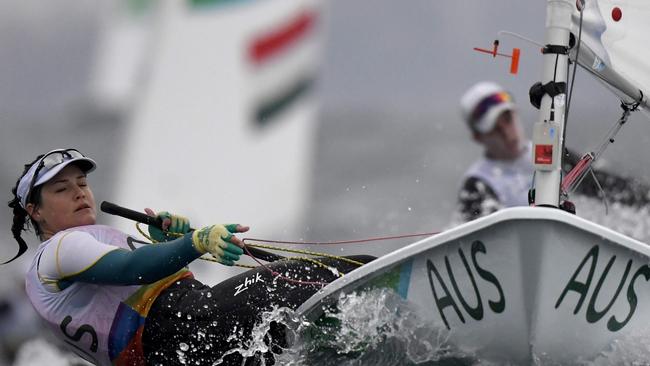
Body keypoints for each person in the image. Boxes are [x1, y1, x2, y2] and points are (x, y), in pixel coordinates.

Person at [6, 148, 370, 366]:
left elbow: (125, 289)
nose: (79, 193)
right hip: (190, 327)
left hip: (181, 349)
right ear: (35, 211)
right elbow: (134, 270)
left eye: (82, 183)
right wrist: (194, 242)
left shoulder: (66, 258)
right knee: (345, 272)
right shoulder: (60, 248)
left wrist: (164, 243)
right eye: (61, 189)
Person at [456, 81, 650, 222]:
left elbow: (608, 189)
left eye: (507, 120)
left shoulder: (552, 152)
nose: (507, 133)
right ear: (478, 138)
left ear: (516, 114)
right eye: (495, 129)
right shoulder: (477, 184)